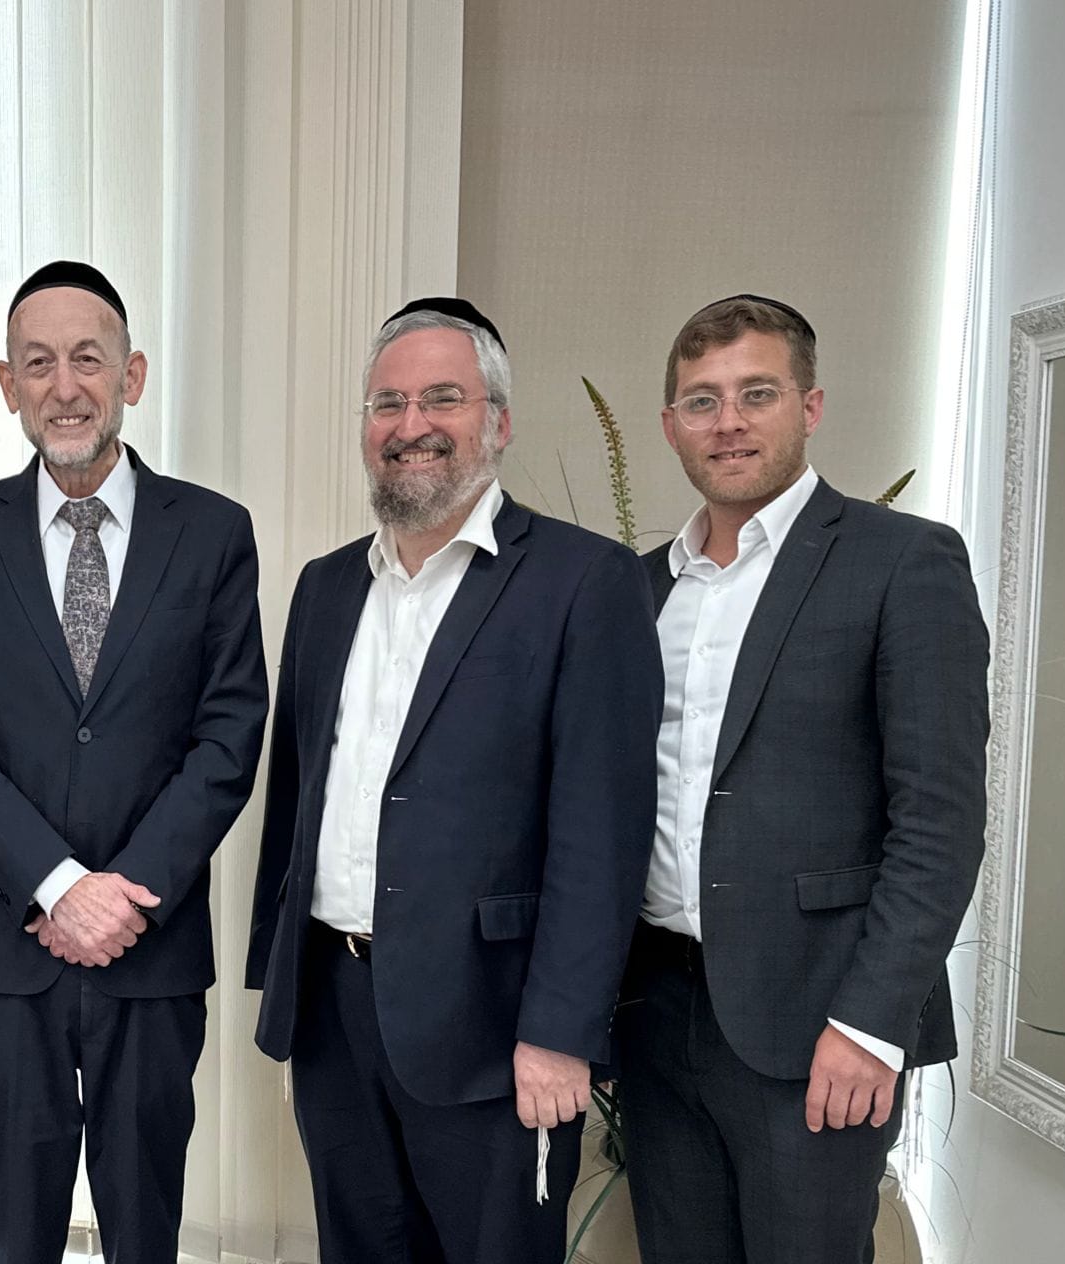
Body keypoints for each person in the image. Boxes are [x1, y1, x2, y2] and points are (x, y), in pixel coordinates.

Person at [246, 298, 662, 1262]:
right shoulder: (326, 587)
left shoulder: (584, 583)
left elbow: (602, 832)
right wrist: (283, 980)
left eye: (443, 398)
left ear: (499, 422)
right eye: (387, 403)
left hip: (495, 1028)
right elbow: (296, 795)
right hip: (334, 1014)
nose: (411, 425)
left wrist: (562, 1031)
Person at [616, 295, 989, 1264]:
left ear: (809, 406)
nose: (727, 422)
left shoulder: (901, 563)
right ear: (669, 425)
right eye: (701, 401)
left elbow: (939, 824)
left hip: (818, 1021)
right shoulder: (636, 588)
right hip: (653, 1012)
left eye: (756, 393)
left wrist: (870, 1025)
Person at [0, 261, 268, 1263]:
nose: (63, 386)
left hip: (149, 951)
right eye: (37, 363)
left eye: (87, 359)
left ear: (132, 375)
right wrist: (59, 884)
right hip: (2, 953)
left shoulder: (213, 533)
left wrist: (123, 894)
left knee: (144, 1225)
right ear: (7, 385)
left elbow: (228, 734)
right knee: (16, 1233)